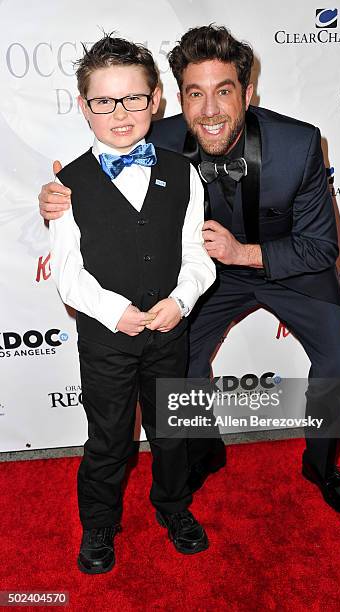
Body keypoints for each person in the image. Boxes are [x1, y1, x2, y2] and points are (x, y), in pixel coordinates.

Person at [40, 25, 340, 517]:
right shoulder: (152, 133)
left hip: (287, 269)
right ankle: (203, 450)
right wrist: (56, 199)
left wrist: (243, 253)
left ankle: (322, 467)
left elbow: (322, 250)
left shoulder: (298, 146)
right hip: (207, 274)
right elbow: (95, 176)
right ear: (176, 100)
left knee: (339, 370)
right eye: (196, 94)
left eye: (224, 91)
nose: (209, 111)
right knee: (177, 367)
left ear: (247, 93)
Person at [48, 34, 216, 574]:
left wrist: (182, 300)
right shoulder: (67, 185)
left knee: (172, 434)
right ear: (84, 106)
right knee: (109, 438)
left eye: (134, 99)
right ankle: (99, 524)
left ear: (155, 101)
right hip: (106, 342)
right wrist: (110, 310)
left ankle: (173, 507)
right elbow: (68, 274)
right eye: (104, 101)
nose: (120, 113)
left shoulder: (183, 171)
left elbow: (198, 254)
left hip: (170, 333)